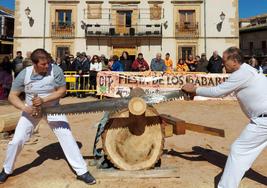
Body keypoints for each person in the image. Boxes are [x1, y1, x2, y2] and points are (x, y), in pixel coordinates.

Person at [0, 48, 96, 185]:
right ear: (34, 64)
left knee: (66, 136)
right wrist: (25, 108)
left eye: (48, 63)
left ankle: (82, 171)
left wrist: (44, 100)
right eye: (43, 64)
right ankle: (6, 169)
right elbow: (12, 96)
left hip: (53, 108)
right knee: (17, 140)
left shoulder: (55, 70)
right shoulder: (24, 74)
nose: (47, 66)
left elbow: (62, 91)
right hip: (31, 111)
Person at [182, 46, 267, 188]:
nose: (222, 63)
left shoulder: (242, 73)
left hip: (263, 120)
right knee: (242, 153)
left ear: (234, 61)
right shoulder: (246, 70)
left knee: (238, 150)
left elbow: (218, 92)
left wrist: (194, 90)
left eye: (225, 60)